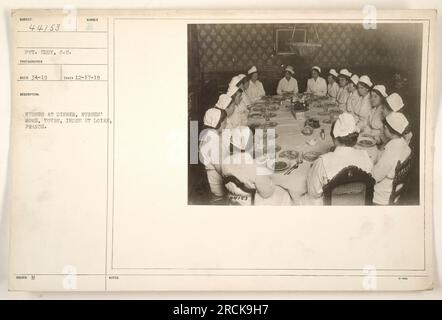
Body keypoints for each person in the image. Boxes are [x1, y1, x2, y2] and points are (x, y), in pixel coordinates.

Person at [307, 113, 373, 202]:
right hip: (358, 208)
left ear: (334, 138)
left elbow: (313, 193)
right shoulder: (365, 156)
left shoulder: (323, 162)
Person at [221, 126, 291, 205]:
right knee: (286, 193)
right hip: (252, 202)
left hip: (233, 199)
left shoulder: (225, 161)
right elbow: (266, 193)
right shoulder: (256, 166)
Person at [372, 112, 412, 205]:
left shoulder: (392, 150)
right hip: (396, 189)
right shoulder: (405, 145)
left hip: (382, 196)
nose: (383, 128)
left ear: (387, 128)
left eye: (384, 126)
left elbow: (374, 177)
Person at [199, 107, 229, 203]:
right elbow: (222, 170)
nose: (226, 124)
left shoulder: (209, 134)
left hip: (217, 176)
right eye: (224, 122)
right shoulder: (212, 142)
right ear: (218, 123)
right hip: (218, 187)